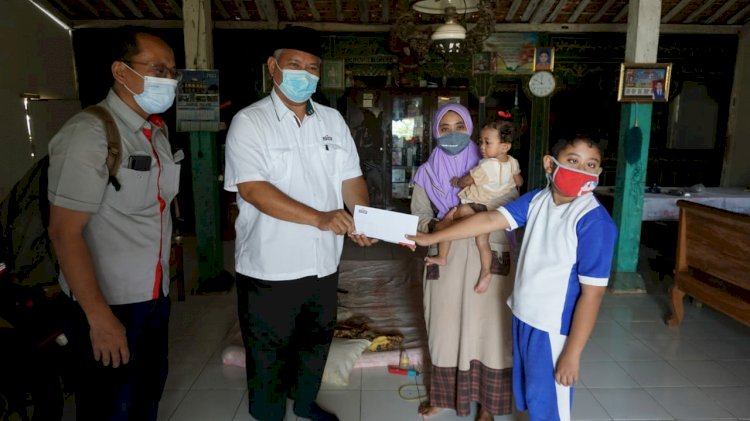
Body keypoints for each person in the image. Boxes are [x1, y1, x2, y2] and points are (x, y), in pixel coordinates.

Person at [223, 26, 375, 421]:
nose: (305, 74)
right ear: (273, 67)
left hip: (323, 262)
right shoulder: (249, 122)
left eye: (313, 67)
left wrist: (360, 217)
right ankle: (269, 414)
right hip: (269, 265)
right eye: (295, 65)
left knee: (315, 343)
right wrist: (320, 218)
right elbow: (254, 189)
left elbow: (351, 178)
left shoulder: (332, 120)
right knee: (268, 351)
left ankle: (305, 404)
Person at [409, 136, 618, 421]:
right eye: (573, 161)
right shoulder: (538, 199)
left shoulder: (594, 222)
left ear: (598, 173)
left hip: (551, 329)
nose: (581, 170)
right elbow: (488, 220)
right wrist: (431, 236)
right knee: (532, 396)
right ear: (549, 163)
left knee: (549, 407)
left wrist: (572, 353)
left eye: (590, 165)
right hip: (523, 317)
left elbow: (592, 295)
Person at [47, 27, 181, 420]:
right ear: (121, 72)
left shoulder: (154, 132)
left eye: (172, 71)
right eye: (157, 68)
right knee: (109, 407)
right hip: (107, 303)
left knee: (145, 397)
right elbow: (64, 231)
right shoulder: (89, 134)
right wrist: (98, 317)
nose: (168, 79)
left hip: (153, 297)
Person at [411, 103, 518, 420]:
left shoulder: (494, 163)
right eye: (445, 128)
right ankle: (444, 396)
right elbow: (420, 216)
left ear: (471, 129)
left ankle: (488, 405)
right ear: (435, 133)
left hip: (491, 249)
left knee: (490, 331)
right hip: (446, 251)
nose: (453, 133)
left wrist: (478, 217)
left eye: (460, 126)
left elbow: (513, 207)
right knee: (444, 327)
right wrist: (439, 226)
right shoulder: (426, 172)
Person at [425, 120, 523, 294]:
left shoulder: (485, 166)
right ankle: (486, 272)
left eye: (487, 142)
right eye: (480, 142)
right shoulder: (513, 162)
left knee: (448, 222)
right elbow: (519, 181)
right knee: (482, 242)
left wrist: (457, 181)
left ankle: (442, 256)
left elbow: (466, 181)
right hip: (495, 211)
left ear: (505, 146)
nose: (482, 147)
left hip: (478, 206)